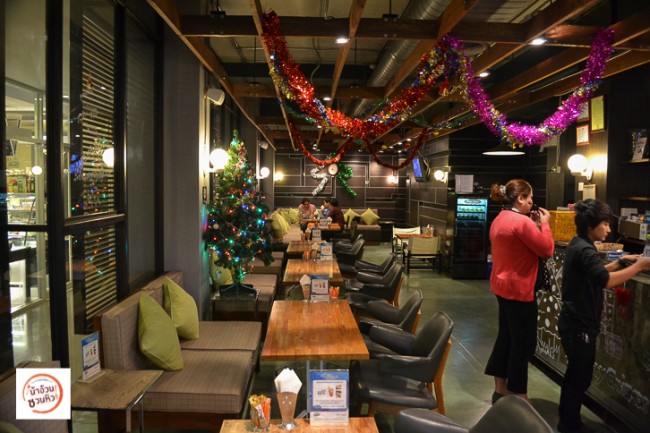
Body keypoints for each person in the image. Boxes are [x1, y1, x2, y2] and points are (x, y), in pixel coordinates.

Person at [557, 199, 650, 433]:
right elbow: (606, 281)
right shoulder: (585, 249)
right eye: (605, 224)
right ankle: (569, 425)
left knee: (577, 376)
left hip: (574, 322)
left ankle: (568, 421)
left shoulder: (579, 244)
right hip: (578, 324)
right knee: (579, 378)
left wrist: (620, 262)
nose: (609, 229)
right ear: (591, 225)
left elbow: (595, 272)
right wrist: (639, 266)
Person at [484, 179, 554, 403]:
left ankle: (500, 389)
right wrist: (545, 225)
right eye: (529, 197)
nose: (532, 202)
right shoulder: (521, 222)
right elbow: (547, 250)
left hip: (501, 286)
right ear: (520, 198)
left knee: (506, 337)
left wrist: (533, 225)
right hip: (520, 289)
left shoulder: (500, 218)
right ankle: (519, 395)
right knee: (523, 343)